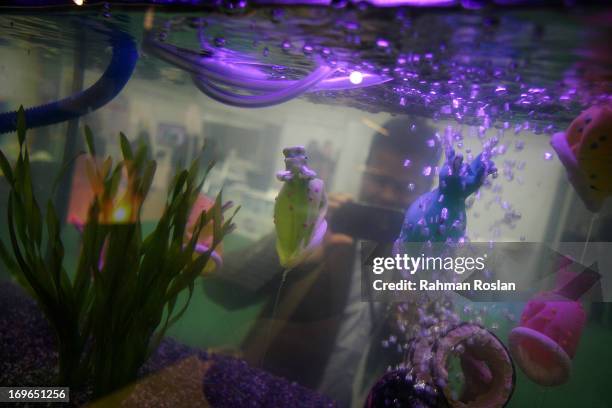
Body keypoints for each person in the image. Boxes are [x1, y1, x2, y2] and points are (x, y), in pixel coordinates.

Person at [203, 116, 442, 407]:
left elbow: (431, 364)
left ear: (426, 192)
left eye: (404, 188)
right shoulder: (322, 228)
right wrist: (293, 247)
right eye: (379, 179)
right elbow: (221, 289)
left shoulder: (425, 262)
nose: (387, 195)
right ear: (364, 171)